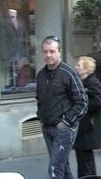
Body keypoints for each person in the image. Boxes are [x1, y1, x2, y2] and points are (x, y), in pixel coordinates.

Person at [36, 35, 88, 179]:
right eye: (45, 52)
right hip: (47, 126)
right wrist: (41, 117)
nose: (48, 55)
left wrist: (66, 123)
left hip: (64, 129)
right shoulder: (41, 75)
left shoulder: (69, 73)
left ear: (59, 52)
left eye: (52, 51)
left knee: (55, 168)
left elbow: (82, 102)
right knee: (63, 167)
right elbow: (39, 98)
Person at [73, 56, 101, 178]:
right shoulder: (81, 83)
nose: (76, 67)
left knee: (86, 161)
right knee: (82, 159)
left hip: (88, 128)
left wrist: (80, 105)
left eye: (79, 65)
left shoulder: (92, 83)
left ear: (86, 69)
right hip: (82, 127)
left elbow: (98, 103)